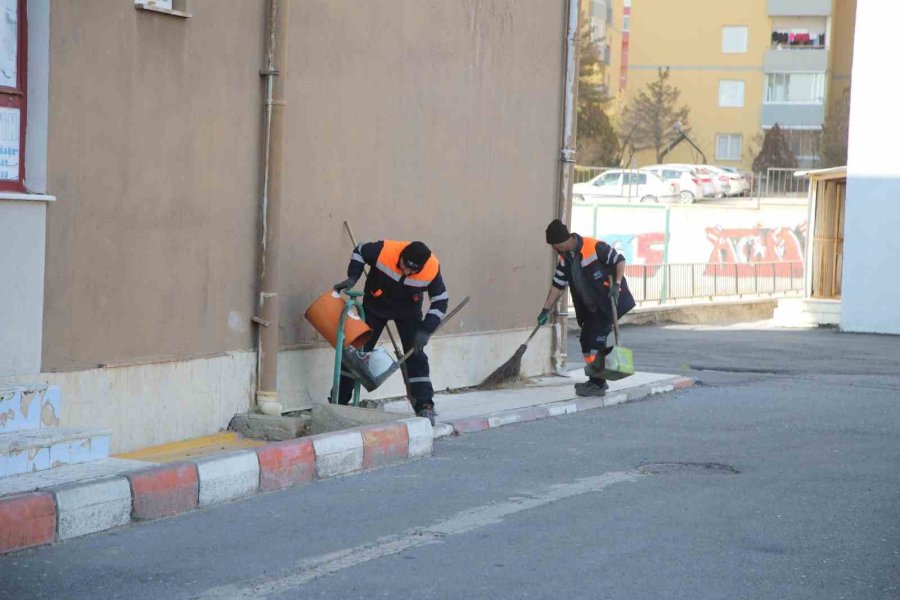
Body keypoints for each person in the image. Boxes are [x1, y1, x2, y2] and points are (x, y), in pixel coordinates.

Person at [332, 240, 448, 424]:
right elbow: (359, 251)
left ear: (421, 266)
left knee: (416, 355)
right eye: (404, 266)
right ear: (401, 256)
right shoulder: (384, 251)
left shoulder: (431, 268)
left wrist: (425, 330)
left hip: (408, 312)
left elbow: (441, 301)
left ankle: (424, 405)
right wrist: (353, 277)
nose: (407, 272)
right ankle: (338, 402)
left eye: (413, 270)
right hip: (375, 306)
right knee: (356, 351)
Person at [539, 219, 635, 396]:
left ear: (562, 241)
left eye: (554, 245)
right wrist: (545, 310)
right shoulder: (565, 259)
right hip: (592, 308)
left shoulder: (594, 247)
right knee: (586, 340)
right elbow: (557, 285)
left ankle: (598, 383)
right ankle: (596, 379)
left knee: (595, 340)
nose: (554, 248)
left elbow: (619, 261)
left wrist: (617, 284)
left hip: (610, 302)